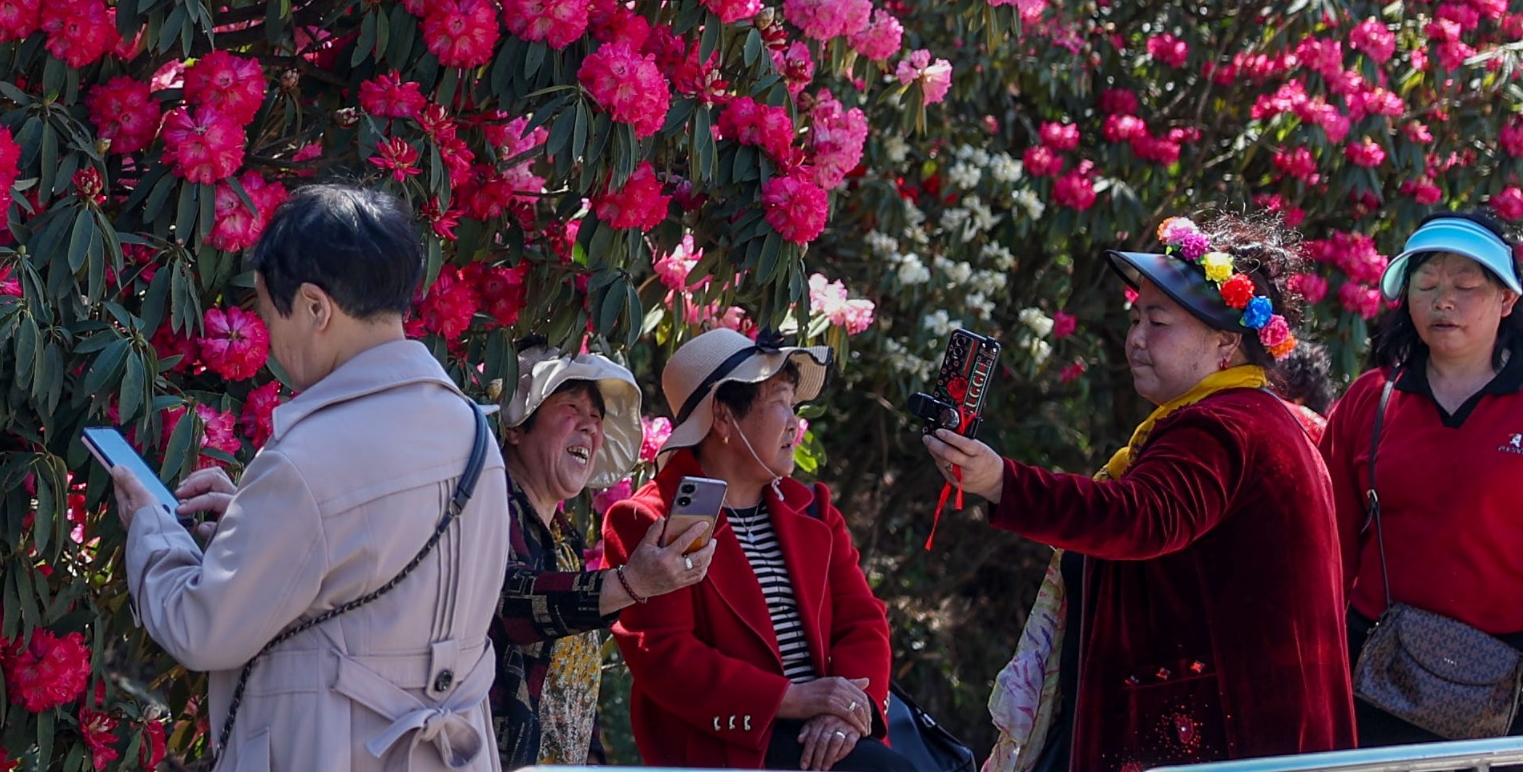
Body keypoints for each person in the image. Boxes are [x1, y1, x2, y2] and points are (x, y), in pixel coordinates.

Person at [929, 213, 1353, 772]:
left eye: (1158, 322)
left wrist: (1002, 482)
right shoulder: (1253, 420)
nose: (1135, 339)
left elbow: (1139, 518)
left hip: (1223, 743)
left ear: (1226, 343)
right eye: (1135, 319)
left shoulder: (1223, 428)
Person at [112, 182, 508, 772]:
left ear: (317, 308)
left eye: (274, 315)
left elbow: (202, 628)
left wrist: (152, 526)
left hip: (335, 748)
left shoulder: (309, 462)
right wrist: (258, 518)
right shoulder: (472, 432)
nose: (273, 341)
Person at [603, 327, 896, 772]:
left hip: (822, 738)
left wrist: (847, 714)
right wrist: (791, 698)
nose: (795, 422)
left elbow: (864, 621)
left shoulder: (813, 510)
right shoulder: (649, 521)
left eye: (794, 405)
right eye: (780, 401)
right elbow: (665, 655)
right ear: (723, 416)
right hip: (731, 747)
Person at [1318, 212, 1523, 745]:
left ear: (1507, 300)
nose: (1443, 299)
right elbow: (1327, 545)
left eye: (1465, 284)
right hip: (1379, 674)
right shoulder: (1371, 400)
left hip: (1509, 685)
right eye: (1426, 283)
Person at [492, 346, 716, 766]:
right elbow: (509, 602)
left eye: (597, 418)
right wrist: (630, 583)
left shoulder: (566, 541)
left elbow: (575, 694)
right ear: (518, 427)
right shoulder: (489, 506)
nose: (590, 428)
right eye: (572, 407)